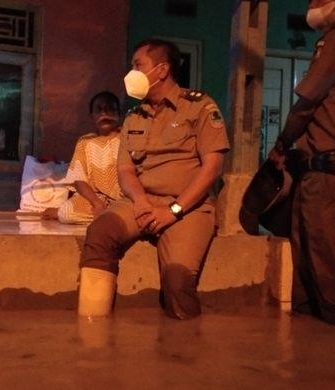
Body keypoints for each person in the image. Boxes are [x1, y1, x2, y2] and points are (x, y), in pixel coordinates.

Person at [77, 39, 230, 320]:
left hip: (188, 208)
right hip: (140, 201)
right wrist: (141, 202)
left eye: (137, 65)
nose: (131, 73)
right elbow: (125, 170)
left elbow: (213, 168)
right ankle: (91, 335)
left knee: (177, 280)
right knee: (99, 233)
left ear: (161, 70)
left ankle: (182, 352)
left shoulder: (200, 107)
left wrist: (173, 211)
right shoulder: (134, 117)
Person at [266, 0, 335, 330]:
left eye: (319, 0)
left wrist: (282, 144)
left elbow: (306, 103)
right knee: (313, 282)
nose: (312, 5)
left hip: (327, 176)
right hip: (329, 172)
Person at [44, 91, 123, 224]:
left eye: (110, 110)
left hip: (123, 200)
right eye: (99, 110)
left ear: (119, 114)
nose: (104, 114)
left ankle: (110, 217)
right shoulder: (85, 141)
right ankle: (109, 218)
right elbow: (78, 179)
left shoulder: (127, 138)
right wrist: (97, 203)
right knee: (66, 213)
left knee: (131, 212)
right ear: (91, 116)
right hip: (95, 198)